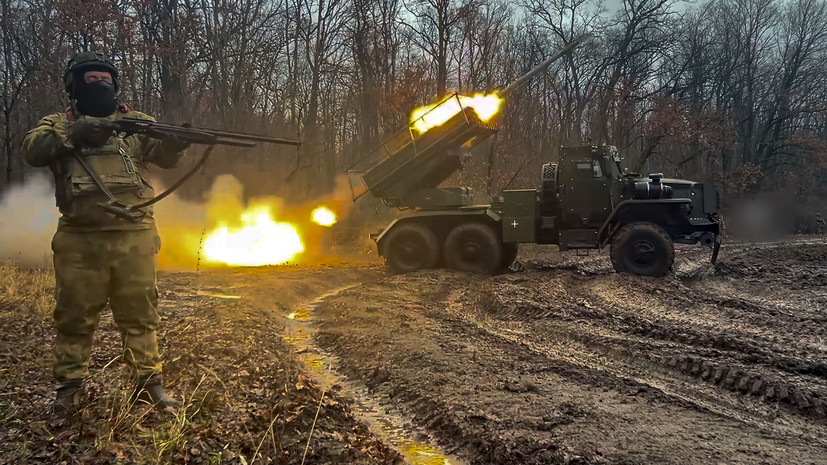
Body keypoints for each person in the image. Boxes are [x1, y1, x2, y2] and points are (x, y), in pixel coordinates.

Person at [21, 51, 189, 414]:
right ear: (74, 88)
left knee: (141, 314)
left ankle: (149, 385)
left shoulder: (135, 123)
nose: (101, 86)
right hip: (81, 238)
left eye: (106, 80)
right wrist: (75, 133)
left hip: (135, 235)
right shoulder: (56, 124)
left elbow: (163, 156)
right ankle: (68, 388)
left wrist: (176, 142)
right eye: (91, 81)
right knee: (74, 316)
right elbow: (33, 150)